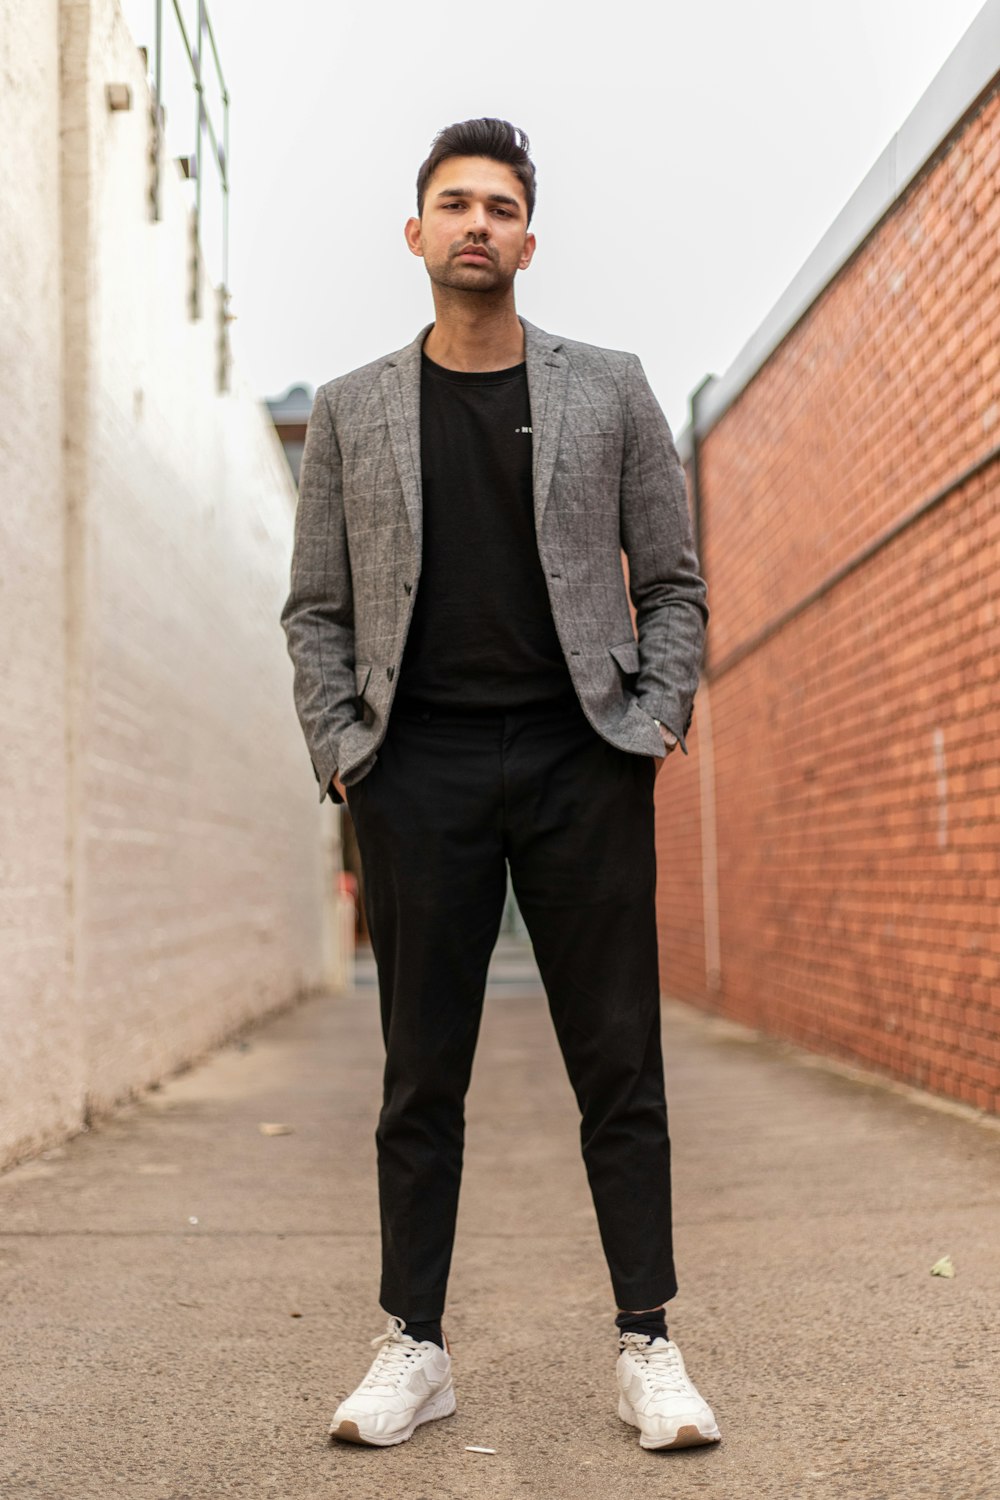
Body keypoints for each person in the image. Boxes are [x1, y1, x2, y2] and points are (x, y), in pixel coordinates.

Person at [280, 117, 719, 1454]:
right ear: (416, 235)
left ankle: (649, 1342)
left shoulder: (612, 387)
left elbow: (677, 581)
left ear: (532, 239)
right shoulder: (353, 410)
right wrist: (351, 754)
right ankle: (414, 1344)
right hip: (417, 773)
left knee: (618, 1064)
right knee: (421, 1075)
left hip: (584, 759)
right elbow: (315, 612)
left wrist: (650, 722)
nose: (479, 224)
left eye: (502, 206)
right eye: (455, 204)